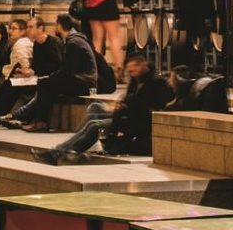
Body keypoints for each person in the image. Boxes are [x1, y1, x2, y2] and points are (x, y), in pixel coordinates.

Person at [33, 53, 175, 165]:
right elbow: (129, 99)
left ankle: (60, 152)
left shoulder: (156, 82)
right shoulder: (137, 79)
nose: (131, 73)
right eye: (129, 71)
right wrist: (121, 104)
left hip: (137, 120)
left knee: (94, 124)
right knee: (95, 107)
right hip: (125, 113)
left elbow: (144, 105)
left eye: (133, 70)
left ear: (143, 65)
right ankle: (78, 140)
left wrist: (125, 105)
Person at [1, 14, 98, 132]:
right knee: (45, 83)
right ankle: (25, 117)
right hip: (81, 80)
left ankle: (38, 121)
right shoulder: (73, 40)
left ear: (60, 26)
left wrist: (51, 77)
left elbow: (67, 70)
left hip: (85, 82)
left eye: (56, 24)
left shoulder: (73, 42)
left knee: (45, 84)